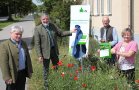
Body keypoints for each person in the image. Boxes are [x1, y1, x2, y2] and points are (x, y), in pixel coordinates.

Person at [34, 13, 75, 89]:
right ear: (41, 20)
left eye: (47, 19)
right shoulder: (38, 29)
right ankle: (46, 86)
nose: (45, 20)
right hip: (45, 53)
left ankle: (57, 82)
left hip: (54, 51)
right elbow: (37, 43)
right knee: (46, 69)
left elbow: (61, 33)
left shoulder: (53, 26)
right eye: (44, 19)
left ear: (48, 19)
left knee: (56, 67)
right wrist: (39, 55)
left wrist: (70, 32)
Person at [0, 25, 33, 90]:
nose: (19, 36)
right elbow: (3, 63)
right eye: (17, 34)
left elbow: (28, 58)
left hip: (22, 73)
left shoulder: (23, 43)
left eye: (20, 34)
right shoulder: (4, 45)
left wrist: (30, 71)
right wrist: (7, 77)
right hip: (12, 75)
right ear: (11, 33)